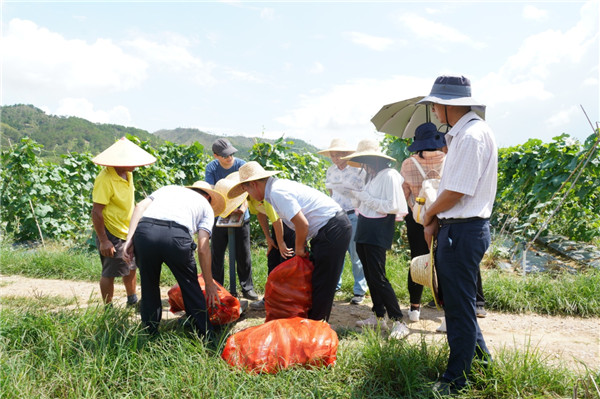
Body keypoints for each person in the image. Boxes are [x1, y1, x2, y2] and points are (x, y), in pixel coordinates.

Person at [419, 75, 497, 394]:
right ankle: (482, 367)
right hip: (461, 229)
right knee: (460, 305)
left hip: (462, 231)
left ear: (448, 105)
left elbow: (455, 192)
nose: (434, 111)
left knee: (458, 309)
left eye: (436, 105)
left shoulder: (471, 136)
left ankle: (455, 380)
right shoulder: (464, 134)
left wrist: (429, 212)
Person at [228, 161, 351, 322]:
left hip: (333, 228)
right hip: (326, 230)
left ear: (254, 184)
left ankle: (316, 328)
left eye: (247, 189)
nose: (248, 194)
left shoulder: (277, 192)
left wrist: (299, 247)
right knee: (317, 279)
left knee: (323, 282)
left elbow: (302, 224)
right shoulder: (274, 191)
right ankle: (313, 323)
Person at [122, 181, 226, 336]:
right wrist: (209, 283)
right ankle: (206, 337)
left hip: (145, 232)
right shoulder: (205, 206)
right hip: (176, 237)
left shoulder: (168, 189)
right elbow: (203, 248)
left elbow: (139, 207)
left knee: (149, 285)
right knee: (190, 286)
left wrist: (130, 238)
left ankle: (149, 333)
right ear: (208, 197)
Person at [341, 139, 410, 340]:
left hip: (378, 229)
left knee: (378, 275)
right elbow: (366, 203)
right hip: (365, 226)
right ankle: (379, 315)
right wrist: (357, 196)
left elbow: (392, 205)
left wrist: (362, 196)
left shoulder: (389, 176)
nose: (363, 165)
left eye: (365, 160)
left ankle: (399, 320)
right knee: (370, 273)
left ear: (374, 159)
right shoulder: (372, 176)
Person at [91, 137, 156, 306]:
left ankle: (132, 300)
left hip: (128, 229)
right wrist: (104, 241)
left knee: (131, 265)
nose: (135, 164)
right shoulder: (105, 179)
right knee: (110, 271)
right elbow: (96, 212)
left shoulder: (128, 173)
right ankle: (108, 308)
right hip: (111, 231)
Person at [224, 173, 295, 310]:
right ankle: (270, 299)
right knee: (272, 261)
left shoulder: (267, 195)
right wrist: (269, 238)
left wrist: (281, 243)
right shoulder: (250, 198)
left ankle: (288, 302)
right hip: (278, 229)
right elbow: (261, 214)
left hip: (289, 225)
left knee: (286, 261)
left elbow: (277, 220)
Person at [400, 122, 447, 322]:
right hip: (444, 217)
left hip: (418, 218)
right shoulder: (448, 160)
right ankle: (446, 312)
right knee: (445, 262)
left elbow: (404, 193)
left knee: (418, 259)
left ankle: (414, 308)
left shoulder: (409, 163)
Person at [204, 138, 257, 300]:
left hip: (241, 213)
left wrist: (242, 208)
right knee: (217, 253)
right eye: (225, 156)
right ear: (215, 156)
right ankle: (218, 286)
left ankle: (247, 288)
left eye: (231, 154)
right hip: (219, 214)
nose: (229, 158)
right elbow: (212, 192)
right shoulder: (211, 168)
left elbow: (248, 190)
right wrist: (221, 210)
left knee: (243, 253)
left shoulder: (242, 165)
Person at [318, 139, 368, 305]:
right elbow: (331, 191)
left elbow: (364, 192)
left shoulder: (358, 171)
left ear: (347, 154)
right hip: (336, 214)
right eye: (333, 155)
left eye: (339, 154)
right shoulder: (330, 171)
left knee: (355, 254)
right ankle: (335, 285)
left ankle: (359, 290)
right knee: (335, 251)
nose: (336, 158)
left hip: (354, 213)